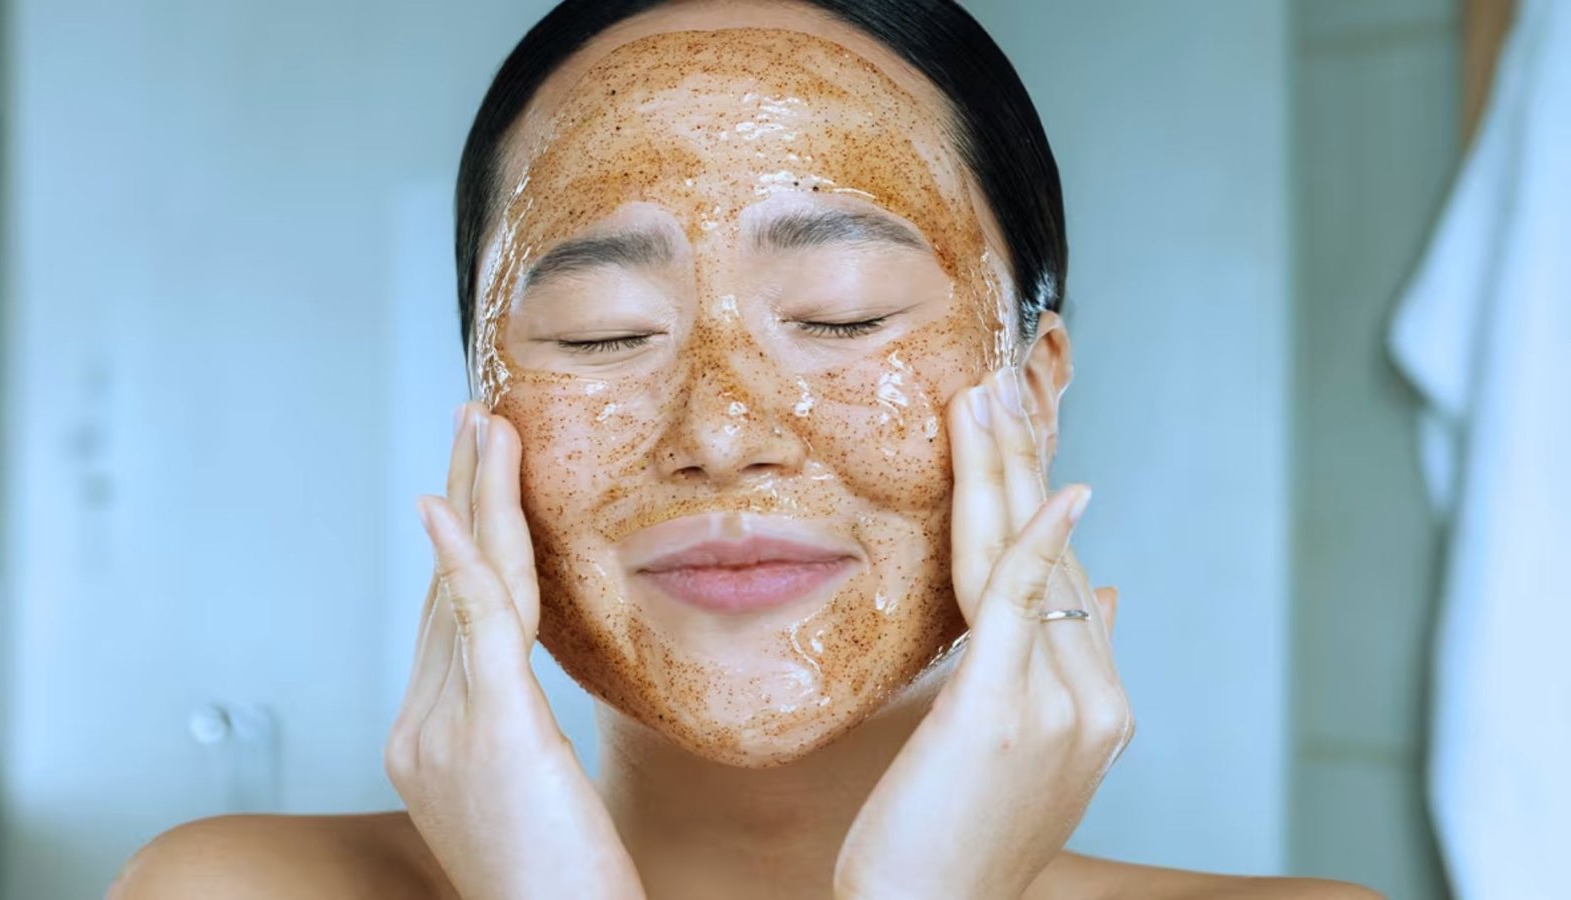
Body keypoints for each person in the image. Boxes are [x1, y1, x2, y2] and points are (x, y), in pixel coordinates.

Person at [111, 1, 1380, 897]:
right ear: (485, 410)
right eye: (604, 333)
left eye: (842, 313)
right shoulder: (226, 888)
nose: (721, 433)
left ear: (1034, 389)